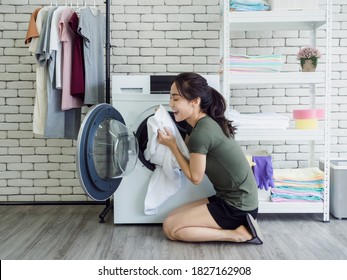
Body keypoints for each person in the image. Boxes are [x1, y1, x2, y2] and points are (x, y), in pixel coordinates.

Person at [157, 72, 262, 244]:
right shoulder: (201, 123)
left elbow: (195, 178)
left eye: (176, 99)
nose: (171, 104)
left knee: (170, 227)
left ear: (195, 101)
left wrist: (172, 145)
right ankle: (231, 228)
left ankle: (237, 235)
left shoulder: (202, 132)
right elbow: (188, 152)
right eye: (170, 99)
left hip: (238, 206)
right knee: (171, 216)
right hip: (230, 198)